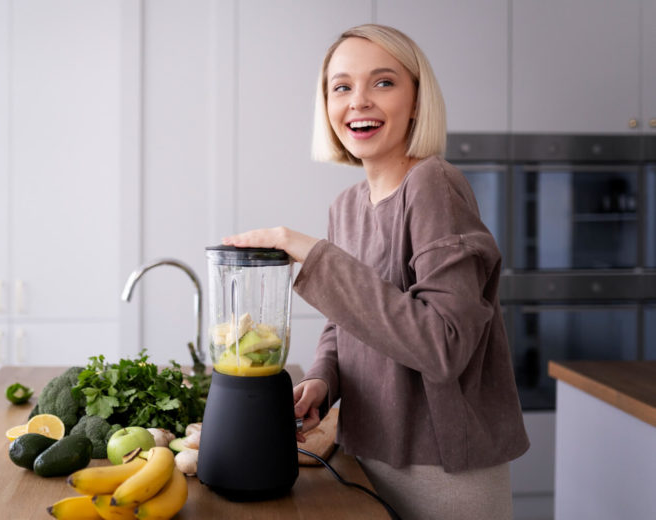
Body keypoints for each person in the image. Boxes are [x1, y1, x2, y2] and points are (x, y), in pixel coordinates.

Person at [222, 24, 529, 520]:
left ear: (416, 100)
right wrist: (323, 380)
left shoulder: (433, 184)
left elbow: (443, 344)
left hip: (441, 472)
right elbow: (345, 323)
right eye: (341, 87)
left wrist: (308, 250)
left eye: (382, 83)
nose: (358, 102)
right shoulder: (346, 206)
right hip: (367, 454)